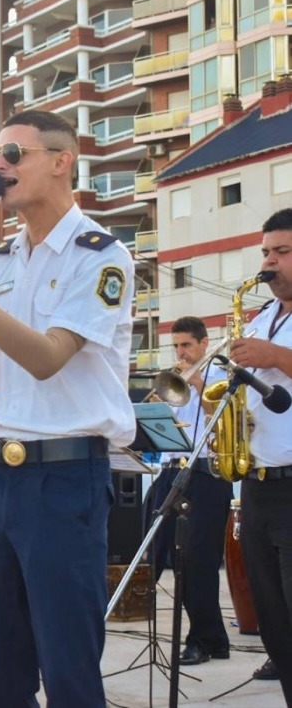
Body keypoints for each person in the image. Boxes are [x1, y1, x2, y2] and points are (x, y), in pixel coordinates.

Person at [0, 109, 136, 708]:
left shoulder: (99, 255)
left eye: (13, 154)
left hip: (65, 474)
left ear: (62, 162)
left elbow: (47, 357)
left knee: (66, 662)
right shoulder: (2, 260)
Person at [230, 208, 292, 702]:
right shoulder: (261, 318)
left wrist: (275, 357)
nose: (269, 262)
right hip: (258, 485)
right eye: (266, 252)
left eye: (283, 252)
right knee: (273, 621)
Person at [145, 316, 232, 665]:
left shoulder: (221, 378)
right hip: (171, 472)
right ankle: (214, 638)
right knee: (164, 553)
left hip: (207, 474)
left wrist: (197, 383)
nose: (181, 353)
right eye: (177, 346)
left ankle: (203, 639)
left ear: (204, 344)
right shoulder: (172, 380)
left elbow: (223, 422)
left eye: (187, 345)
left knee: (198, 560)